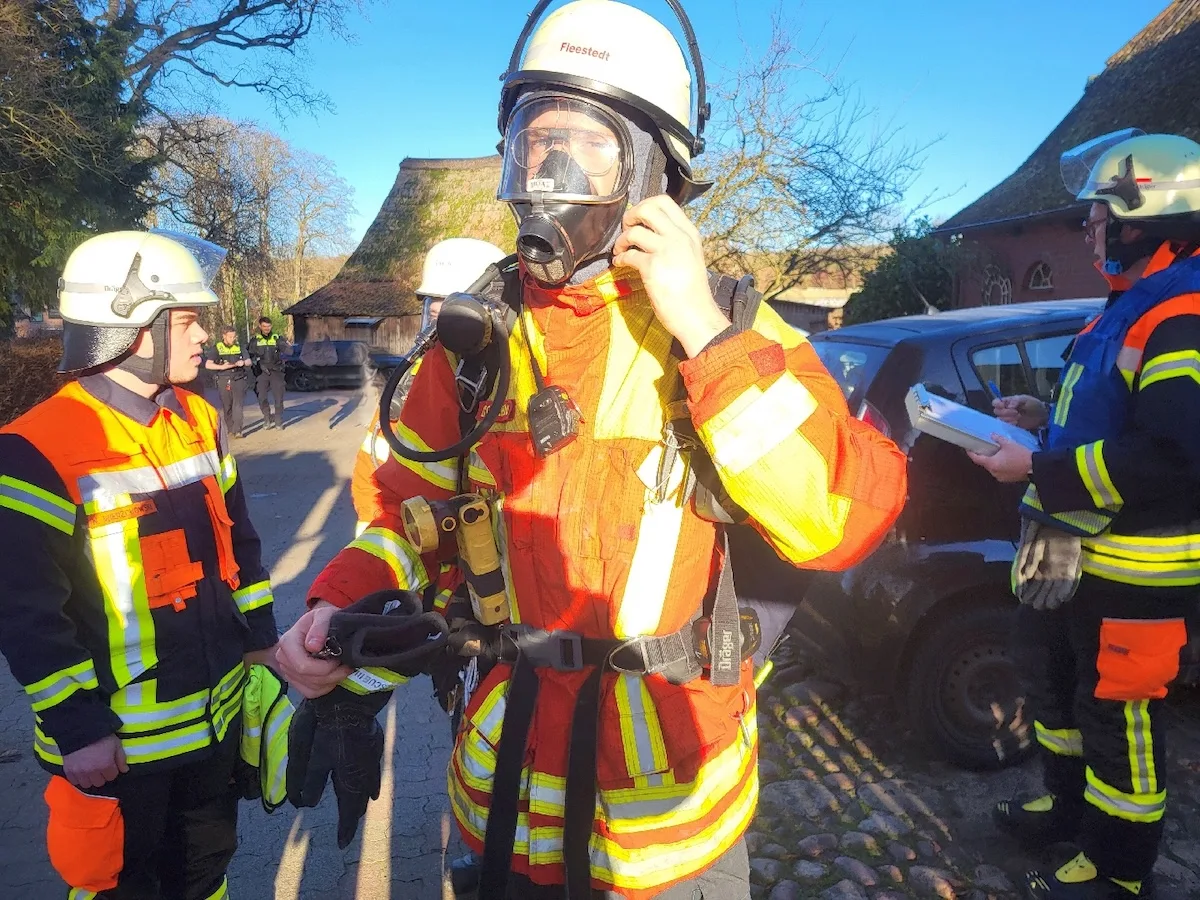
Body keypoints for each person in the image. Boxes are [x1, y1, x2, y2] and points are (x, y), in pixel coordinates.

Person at [276, 3, 908, 898]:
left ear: (656, 173)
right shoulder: (470, 347)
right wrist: (337, 606)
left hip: (664, 827)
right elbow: (400, 513)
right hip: (501, 797)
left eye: (587, 146)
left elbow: (838, 519)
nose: (550, 174)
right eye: (535, 140)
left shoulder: (729, 332)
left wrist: (700, 330)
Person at [0, 230, 280, 900]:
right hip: (117, 751)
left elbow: (238, 546)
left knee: (205, 878)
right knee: (120, 888)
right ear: (129, 329)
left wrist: (264, 643)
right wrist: (77, 729)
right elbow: (25, 610)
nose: (203, 336)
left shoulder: (201, 421)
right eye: (186, 320)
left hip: (212, 725)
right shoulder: (34, 450)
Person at [971, 131, 1200, 900]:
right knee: (1060, 693)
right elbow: (1117, 423)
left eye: (1099, 213)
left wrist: (1035, 467)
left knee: (1119, 721)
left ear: (1147, 217)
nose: (1088, 228)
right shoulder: (1130, 307)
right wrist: (1040, 417)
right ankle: (1067, 813)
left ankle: (1118, 870)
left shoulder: (1183, 314)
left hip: (1138, 572)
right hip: (1082, 557)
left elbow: (1174, 457)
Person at [352, 237, 507, 536]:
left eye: (448, 322)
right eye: (431, 317)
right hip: (402, 538)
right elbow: (373, 464)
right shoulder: (412, 378)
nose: (433, 335)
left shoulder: (502, 388)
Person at [206, 325, 250, 438]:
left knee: (238, 405)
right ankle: (230, 428)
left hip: (239, 378)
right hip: (224, 379)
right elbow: (208, 365)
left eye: (234, 336)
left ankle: (238, 430)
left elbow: (248, 361)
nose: (233, 339)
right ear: (224, 336)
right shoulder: (217, 348)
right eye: (230, 337)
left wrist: (245, 363)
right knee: (227, 406)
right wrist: (221, 367)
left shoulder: (240, 347)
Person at [249, 315, 286, 429]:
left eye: (268, 326)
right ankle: (267, 418)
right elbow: (250, 356)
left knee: (279, 398)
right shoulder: (255, 341)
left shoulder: (277, 338)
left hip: (276, 371)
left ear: (271, 326)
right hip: (261, 372)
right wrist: (257, 363)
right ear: (260, 326)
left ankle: (278, 421)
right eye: (264, 326)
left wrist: (285, 346)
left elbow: (287, 351)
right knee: (262, 397)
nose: (266, 328)